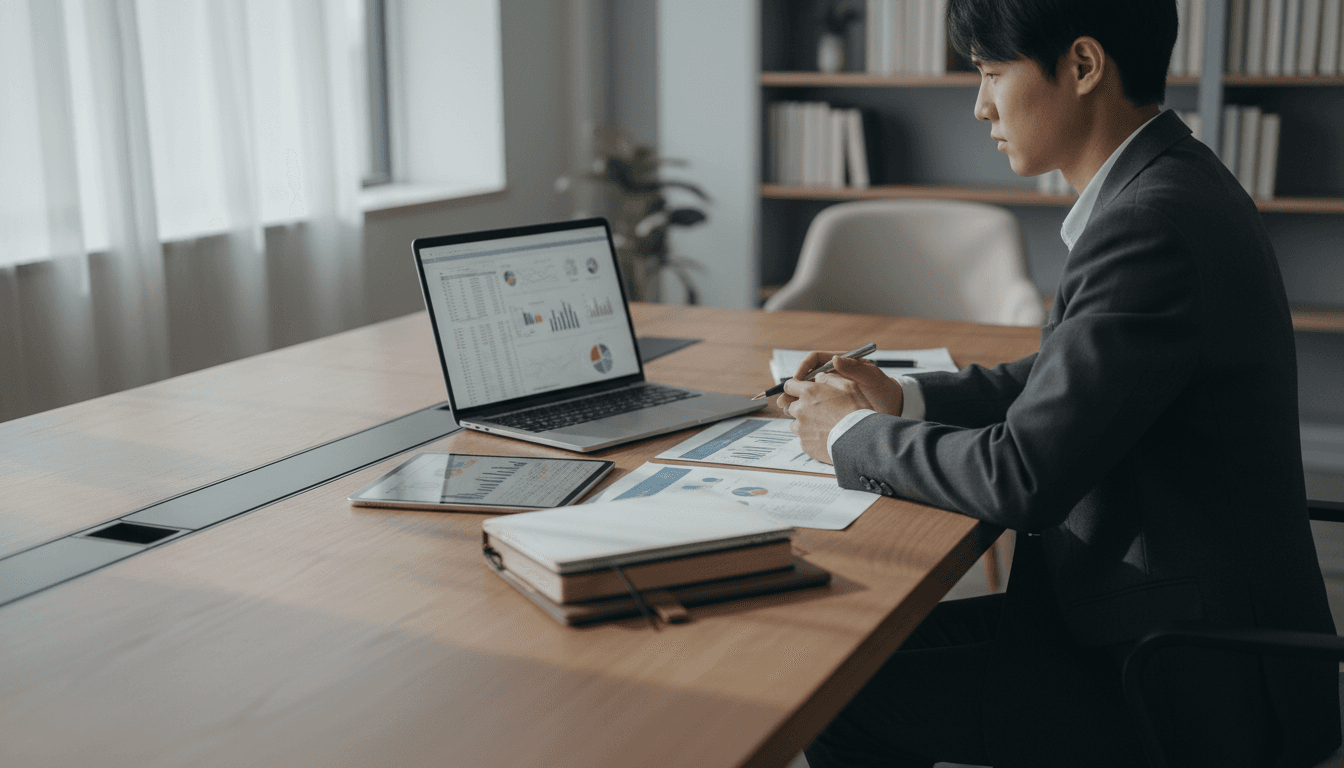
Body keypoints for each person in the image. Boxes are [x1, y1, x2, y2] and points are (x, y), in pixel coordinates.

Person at [779, 1, 1341, 766]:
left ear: (1082, 66)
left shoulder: (1148, 223)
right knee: (853, 648)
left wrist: (847, 433)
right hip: (1169, 609)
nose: (980, 107)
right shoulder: (1172, 181)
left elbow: (1026, 476)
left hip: (1178, 666)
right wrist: (904, 399)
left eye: (991, 72)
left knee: (837, 698)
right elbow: (1064, 374)